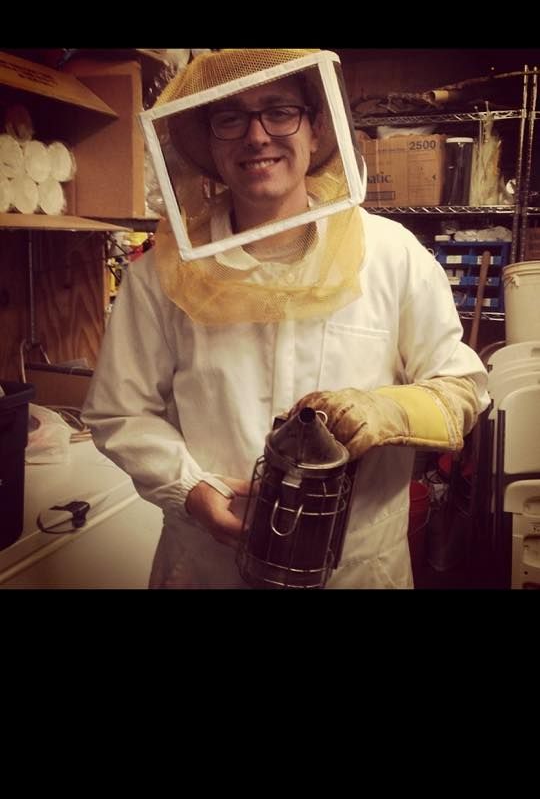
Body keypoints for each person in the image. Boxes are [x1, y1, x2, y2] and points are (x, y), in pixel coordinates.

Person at [82, 48, 489, 589]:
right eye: (231, 118)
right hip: (208, 564)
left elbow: (463, 389)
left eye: (279, 111)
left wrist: (391, 409)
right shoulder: (160, 275)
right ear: (209, 143)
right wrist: (190, 489)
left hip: (356, 567)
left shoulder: (392, 254)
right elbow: (120, 412)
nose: (257, 137)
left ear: (317, 129)